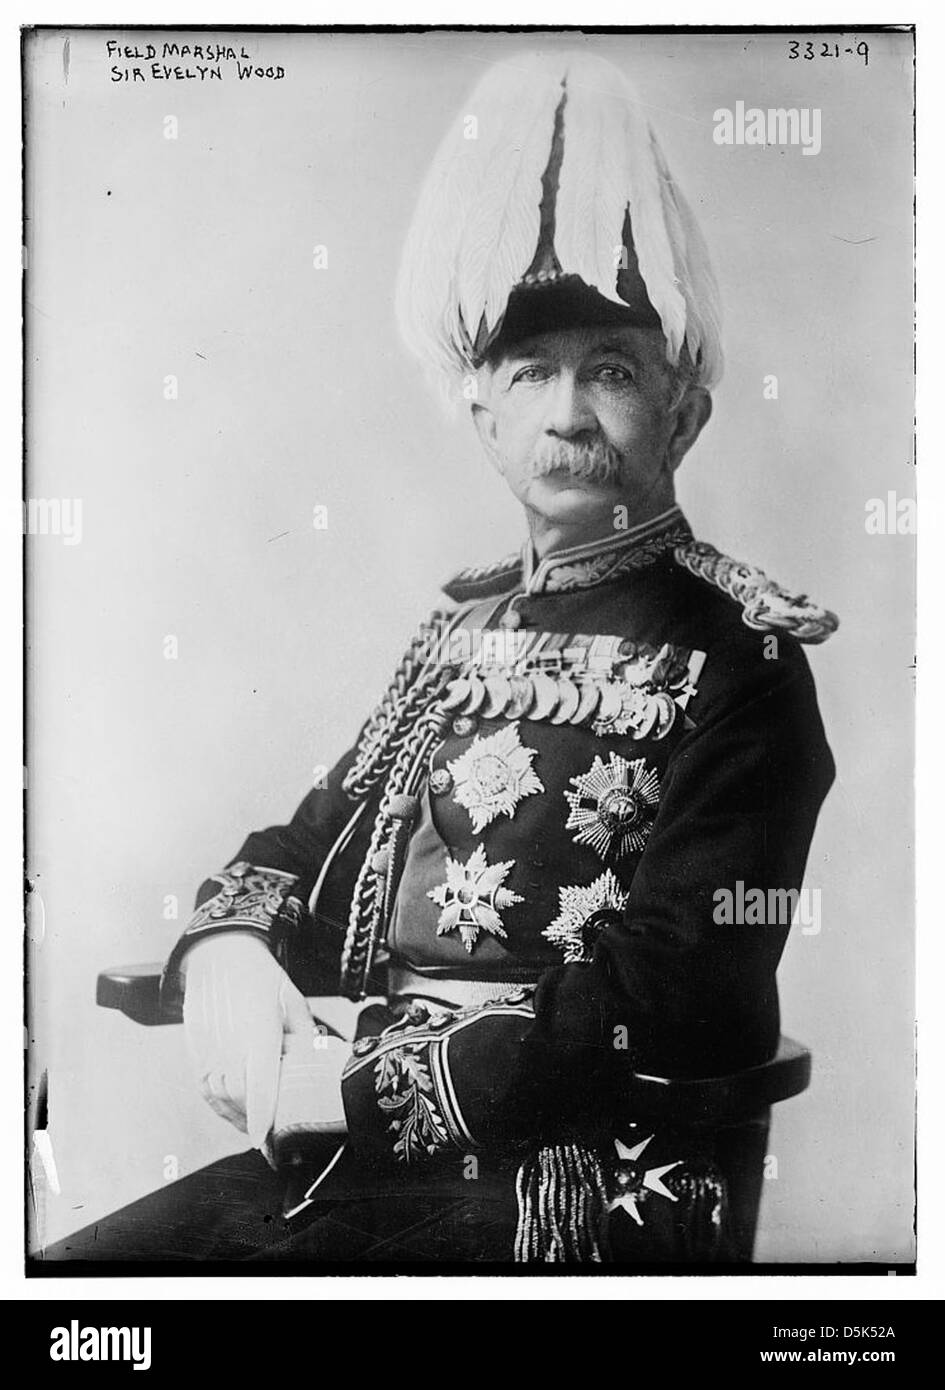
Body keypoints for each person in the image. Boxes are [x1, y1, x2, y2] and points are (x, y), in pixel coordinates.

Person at [45, 51, 837, 1267]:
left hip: (584, 1178)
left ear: (683, 413)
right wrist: (229, 949)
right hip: (357, 1165)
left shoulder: (743, 662)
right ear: (487, 418)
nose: (570, 413)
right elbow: (303, 849)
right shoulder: (456, 639)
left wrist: (345, 1094)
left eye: (613, 371)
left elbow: (680, 986)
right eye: (535, 374)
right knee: (83, 1280)